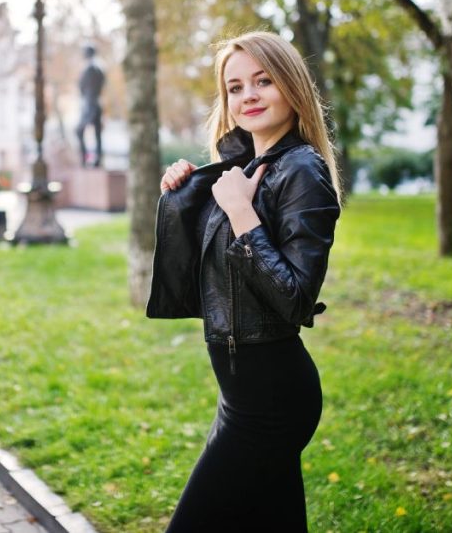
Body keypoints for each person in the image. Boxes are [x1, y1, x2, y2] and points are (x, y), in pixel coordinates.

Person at [147, 31, 343, 531]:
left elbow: (295, 299)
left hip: (271, 402)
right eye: (235, 87)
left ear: (292, 87)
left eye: (263, 80)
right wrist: (186, 193)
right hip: (241, 395)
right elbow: (215, 273)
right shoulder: (242, 168)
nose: (248, 95)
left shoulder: (302, 171)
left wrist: (241, 214)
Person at [74, 44, 106, 168]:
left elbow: (85, 89)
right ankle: (96, 159)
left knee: (79, 131)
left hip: (90, 105)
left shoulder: (90, 69)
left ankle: (84, 160)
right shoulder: (99, 68)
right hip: (96, 103)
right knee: (97, 133)